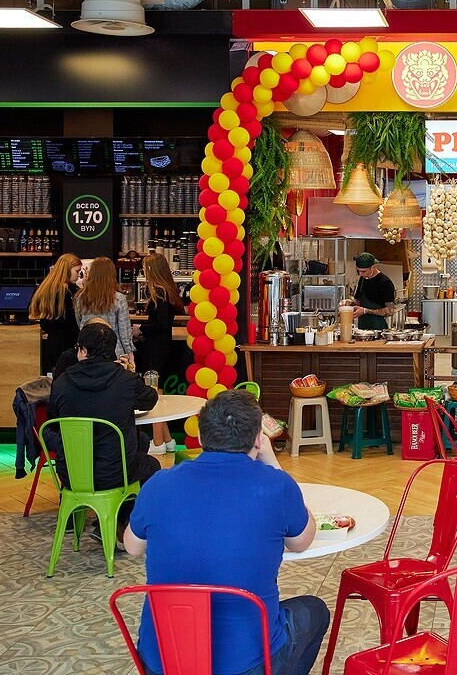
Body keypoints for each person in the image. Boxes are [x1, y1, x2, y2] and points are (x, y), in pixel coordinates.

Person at [124, 389, 329, 675]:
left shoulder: (158, 484)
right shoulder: (276, 486)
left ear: (201, 437)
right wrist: (272, 462)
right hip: (247, 663)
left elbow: (132, 547)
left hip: (163, 660)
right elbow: (301, 541)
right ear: (258, 438)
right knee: (316, 611)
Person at [46, 322, 160, 542]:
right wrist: (130, 374)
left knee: (141, 440)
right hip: (114, 471)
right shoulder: (124, 380)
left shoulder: (62, 382)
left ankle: (108, 522)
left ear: (83, 350)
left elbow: (52, 426)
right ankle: (119, 522)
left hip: (72, 474)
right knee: (150, 465)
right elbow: (150, 399)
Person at [136, 253, 184, 455]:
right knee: (158, 390)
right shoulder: (167, 290)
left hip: (156, 347)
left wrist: (141, 328)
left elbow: (161, 323)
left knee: (153, 392)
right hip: (162, 345)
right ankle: (167, 439)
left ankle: (157, 442)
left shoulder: (160, 292)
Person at [30, 253, 82, 375]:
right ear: (67, 270)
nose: (79, 275)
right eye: (77, 271)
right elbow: (73, 320)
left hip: (53, 344)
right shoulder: (68, 292)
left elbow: (45, 322)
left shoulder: (47, 288)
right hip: (68, 343)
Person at [75, 256, 135, 360]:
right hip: (114, 352)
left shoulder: (81, 297)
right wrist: (130, 354)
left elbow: (80, 323)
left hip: (88, 352)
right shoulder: (119, 298)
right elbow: (124, 333)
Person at [347, 253, 396, 330]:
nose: (360, 274)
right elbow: (358, 302)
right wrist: (348, 302)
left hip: (378, 329)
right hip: (362, 329)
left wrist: (365, 311)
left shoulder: (384, 283)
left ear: (373, 267)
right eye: (358, 271)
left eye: (364, 271)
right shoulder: (363, 279)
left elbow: (390, 311)